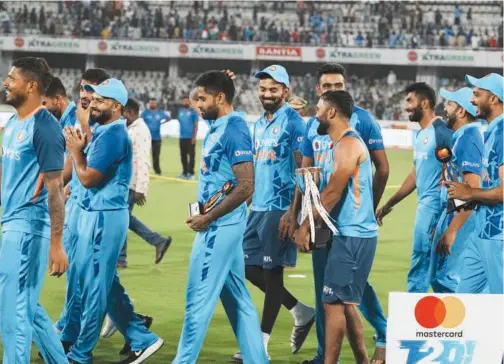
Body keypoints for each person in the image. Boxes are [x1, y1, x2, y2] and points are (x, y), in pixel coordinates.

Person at [284, 63, 389, 364]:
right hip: (335, 227)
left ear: (332, 109)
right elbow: (308, 176)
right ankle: (354, 360)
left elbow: (334, 190)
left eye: (337, 87)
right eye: (326, 88)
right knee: (341, 300)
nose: (328, 95)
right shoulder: (323, 134)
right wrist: (298, 213)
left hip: (349, 231)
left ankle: (332, 359)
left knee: (334, 301)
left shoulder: (352, 137)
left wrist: (305, 225)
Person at [64, 78, 163, 364]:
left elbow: (89, 178)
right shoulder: (103, 130)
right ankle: (142, 337)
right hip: (95, 216)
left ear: (117, 106)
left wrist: (75, 151)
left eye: (100, 101)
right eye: (93, 99)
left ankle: (81, 353)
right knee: (103, 285)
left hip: (104, 219)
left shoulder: (113, 136)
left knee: (95, 287)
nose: (93, 104)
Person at [173, 71, 268, 364]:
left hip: (218, 228)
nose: (197, 104)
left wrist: (208, 218)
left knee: (197, 303)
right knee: (239, 301)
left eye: (203, 98)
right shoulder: (219, 125)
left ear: (220, 98)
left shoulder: (234, 129)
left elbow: (247, 185)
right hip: (223, 224)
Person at [233, 65, 315, 362]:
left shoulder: (294, 124)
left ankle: (259, 345)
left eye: (273, 89)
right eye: (263, 89)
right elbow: (257, 166)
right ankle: (300, 311)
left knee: (272, 273)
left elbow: (302, 168)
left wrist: (295, 214)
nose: (266, 94)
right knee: (246, 268)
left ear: (285, 91)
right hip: (257, 208)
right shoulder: (259, 123)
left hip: (281, 209)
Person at [1, 56, 69, 363]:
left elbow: (55, 190)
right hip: (11, 223)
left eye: (12, 79)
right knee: (26, 305)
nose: (5, 82)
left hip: (29, 229)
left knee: (13, 313)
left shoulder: (46, 128)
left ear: (30, 86)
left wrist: (56, 243)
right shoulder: (14, 122)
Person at [376, 82, 453, 293]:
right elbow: (415, 175)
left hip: (435, 207)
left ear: (425, 103)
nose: (406, 106)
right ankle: (456, 316)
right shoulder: (421, 135)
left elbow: (457, 168)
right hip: (425, 206)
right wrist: (388, 205)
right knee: (436, 271)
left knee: (422, 264)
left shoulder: (442, 133)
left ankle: (411, 316)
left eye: (410, 100)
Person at [448, 73, 503, 294]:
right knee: (464, 303)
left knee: (500, 303)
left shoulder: (502, 133)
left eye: (476, 95)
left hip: (498, 236)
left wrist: (469, 193)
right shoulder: (490, 132)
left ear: (493, 99)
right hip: (481, 234)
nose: (471, 101)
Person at [430, 87, 484, 293]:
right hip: (457, 212)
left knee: (448, 278)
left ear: (461, 111)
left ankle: (459, 325)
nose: (445, 107)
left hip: (464, 217)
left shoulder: (469, 138)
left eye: (450, 104)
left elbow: (472, 189)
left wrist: (452, 229)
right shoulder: (462, 136)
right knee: (442, 277)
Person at [116, 98, 172, 269]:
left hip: (131, 183)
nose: (120, 117)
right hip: (124, 182)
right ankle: (158, 241)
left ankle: (121, 258)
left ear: (131, 112)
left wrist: (141, 188)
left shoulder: (140, 131)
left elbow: (143, 160)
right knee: (125, 218)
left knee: (121, 219)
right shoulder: (131, 128)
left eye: (123, 113)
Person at [141, 97, 169, 175]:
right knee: (144, 156)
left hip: (157, 138)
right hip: (146, 138)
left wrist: (162, 122)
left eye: (154, 103)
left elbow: (168, 118)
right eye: (151, 103)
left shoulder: (160, 112)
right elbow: (139, 121)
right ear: (149, 104)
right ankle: (144, 171)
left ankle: (157, 171)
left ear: (156, 104)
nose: (152, 104)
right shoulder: (145, 113)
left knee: (156, 156)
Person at [176, 94, 200, 180]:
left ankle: (191, 173)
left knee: (191, 156)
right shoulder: (180, 111)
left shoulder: (193, 111)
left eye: (187, 101)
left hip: (190, 138)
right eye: (184, 101)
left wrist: (194, 137)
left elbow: (196, 125)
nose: (185, 102)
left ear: (189, 102)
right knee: (183, 156)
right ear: (183, 102)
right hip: (182, 138)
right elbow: (180, 122)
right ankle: (184, 172)